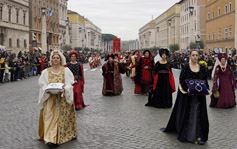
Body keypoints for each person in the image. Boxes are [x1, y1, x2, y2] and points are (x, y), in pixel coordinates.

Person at [161, 50, 209, 145]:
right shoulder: (186, 67)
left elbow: (205, 80)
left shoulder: (202, 67)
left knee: (199, 114)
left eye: (196, 55)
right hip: (188, 96)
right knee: (191, 114)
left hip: (199, 96)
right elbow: (182, 79)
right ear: (190, 56)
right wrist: (187, 88)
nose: (195, 57)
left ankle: (200, 136)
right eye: (193, 55)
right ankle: (189, 135)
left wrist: (206, 88)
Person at [38, 50, 77, 147]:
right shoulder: (46, 72)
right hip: (50, 99)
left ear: (60, 59)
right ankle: (50, 138)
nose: (55, 60)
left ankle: (57, 137)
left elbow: (69, 83)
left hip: (62, 99)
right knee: (49, 117)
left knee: (60, 118)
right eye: (54, 58)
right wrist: (46, 89)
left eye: (57, 58)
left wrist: (65, 89)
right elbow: (42, 84)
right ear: (51, 60)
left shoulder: (65, 71)